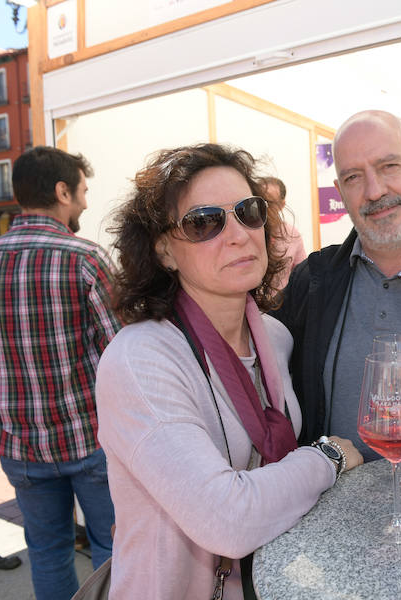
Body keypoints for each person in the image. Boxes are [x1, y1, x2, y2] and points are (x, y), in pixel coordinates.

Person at [96, 143, 362, 599]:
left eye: (248, 211)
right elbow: (227, 519)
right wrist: (328, 458)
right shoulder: (141, 360)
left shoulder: (274, 338)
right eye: (204, 222)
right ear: (164, 251)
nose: (238, 234)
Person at [0, 146, 121, 600]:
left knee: (46, 551)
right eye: (81, 192)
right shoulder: (85, 258)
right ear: (62, 191)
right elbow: (122, 352)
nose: (83, 202)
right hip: (92, 438)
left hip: (20, 446)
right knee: (116, 548)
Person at [273, 110, 401, 480]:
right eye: (353, 177)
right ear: (341, 192)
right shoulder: (312, 281)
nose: (375, 191)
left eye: (389, 166)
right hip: (331, 518)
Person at [262, 176, 307, 290]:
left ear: (282, 205)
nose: (265, 208)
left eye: (270, 202)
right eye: (261, 201)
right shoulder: (247, 232)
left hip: (281, 304)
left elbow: (303, 276)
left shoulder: (292, 234)